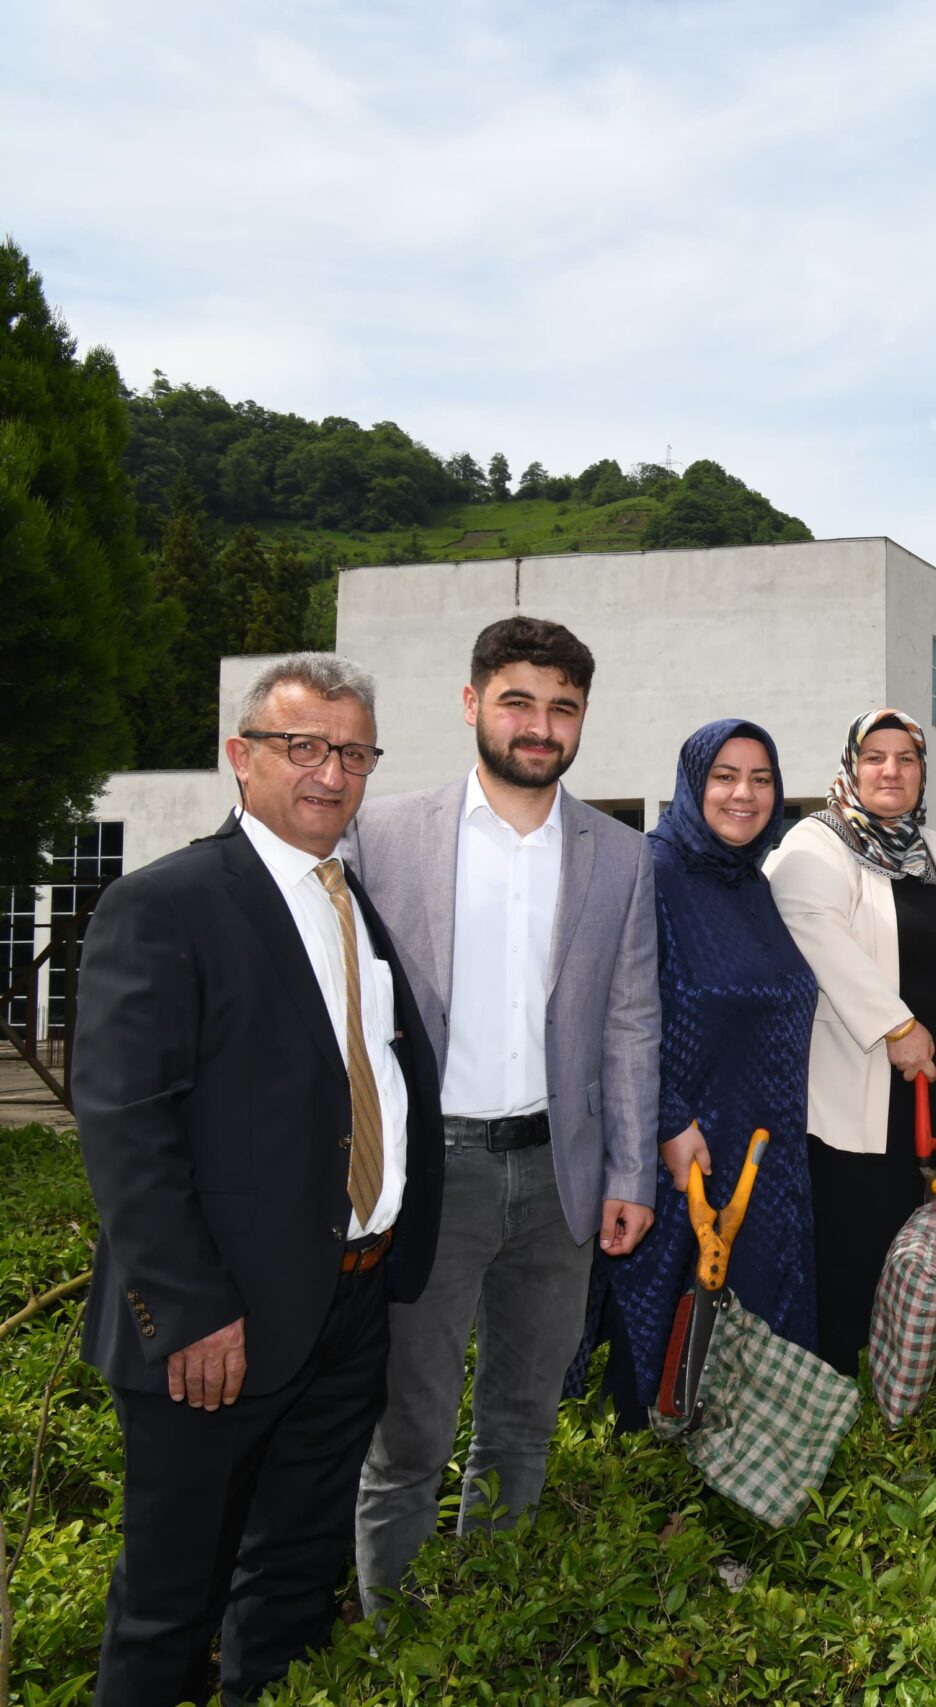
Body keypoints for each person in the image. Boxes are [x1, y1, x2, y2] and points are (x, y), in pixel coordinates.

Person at [73, 655, 446, 1705]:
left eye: (354, 752)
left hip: (350, 1303)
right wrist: (190, 1310)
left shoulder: (351, 905)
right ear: (242, 758)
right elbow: (124, 1126)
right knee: (167, 1608)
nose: (332, 772)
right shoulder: (166, 904)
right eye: (304, 747)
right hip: (216, 1331)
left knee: (290, 1589)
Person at [347, 616, 660, 1611]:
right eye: (519, 700)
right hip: (433, 1174)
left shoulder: (620, 856)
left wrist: (628, 1175)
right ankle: (390, 1631)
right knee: (412, 1426)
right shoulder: (386, 833)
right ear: (473, 701)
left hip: (561, 1176)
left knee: (523, 1414)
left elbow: (630, 1021)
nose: (540, 725)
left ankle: (485, 1620)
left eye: (562, 707)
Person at [594, 719, 818, 1417]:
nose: (743, 794)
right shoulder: (652, 870)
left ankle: (736, 1507)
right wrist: (666, 1120)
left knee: (749, 1346)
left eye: (760, 778)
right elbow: (616, 1009)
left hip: (764, 1157)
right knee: (676, 1342)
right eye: (724, 775)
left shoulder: (750, 881)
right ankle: (658, 1509)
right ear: (692, 784)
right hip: (687, 1157)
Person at [767, 709, 936, 1371]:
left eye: (906, 757)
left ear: (923, 771)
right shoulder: (814, 845)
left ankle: (923, 1398)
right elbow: (815, 933)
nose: (890, 770)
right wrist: (895, 1026)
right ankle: (850, 1405)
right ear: (850, 767)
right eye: (875, 756)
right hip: (859, 1099)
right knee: (857, 1262)